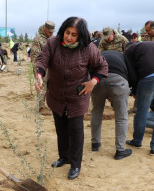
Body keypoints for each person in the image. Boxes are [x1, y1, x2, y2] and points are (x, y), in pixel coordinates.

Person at [35, 16, 108, 180]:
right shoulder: (53, 43)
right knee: (61, 128)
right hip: (56, 94)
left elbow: (102, 66)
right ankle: (64, 157)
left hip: (77, 96)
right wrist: (39, 75)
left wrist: (93, 82)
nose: (69, 37)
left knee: (75, 131)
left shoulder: (88, 49)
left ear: (80, 36)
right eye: (67, 32)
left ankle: (75, 164)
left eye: (74, 35)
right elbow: (42, 59)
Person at [91, 50, 137, 160]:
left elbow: (89, 70)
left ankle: (95, 144)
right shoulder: (122, 56)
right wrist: (132, 90)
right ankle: (120, 150)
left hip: (97, 80)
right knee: (121, 117)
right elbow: (132, 75)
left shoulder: (98, 54)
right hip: (118, 81)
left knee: (96, 112)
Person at [30, 20, 56, 116]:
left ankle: (50, 104)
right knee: (42, 85)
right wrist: (37, 70)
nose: (51, 33)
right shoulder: (38, 39)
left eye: (53, 32)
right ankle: (41, 106)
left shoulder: (52, 38)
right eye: (49, 31)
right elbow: (35, 56)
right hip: (41, 67)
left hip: (52, 67)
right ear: (45, 29)